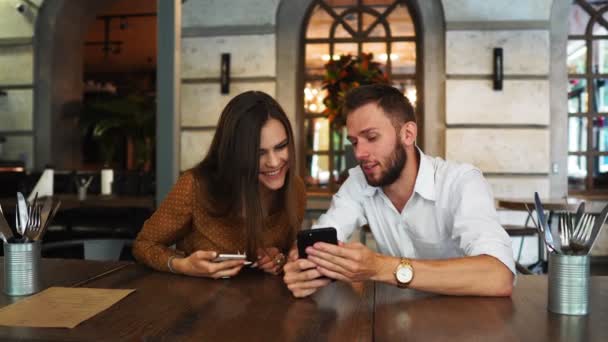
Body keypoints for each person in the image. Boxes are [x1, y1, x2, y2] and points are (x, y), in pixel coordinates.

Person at [284, 84, 515, 297]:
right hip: (397, 319)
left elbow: (499, 276)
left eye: (371, 137)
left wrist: (381, 267)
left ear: (408, 134)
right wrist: (302, 265)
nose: (359, 153)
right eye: (354, 142)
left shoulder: (460, 182)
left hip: (467, 321)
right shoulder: (359, 182)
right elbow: (319, 241)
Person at [133, 91, 306, 279]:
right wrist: (183, 265)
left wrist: (278, 260)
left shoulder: (295, 190)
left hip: (265, 304)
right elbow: (144, 244)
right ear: (234, 154)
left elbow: (288, 256)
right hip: (198, 302)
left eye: (281, 147)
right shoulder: (195, 186)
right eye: (258, 153)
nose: (273, 162)